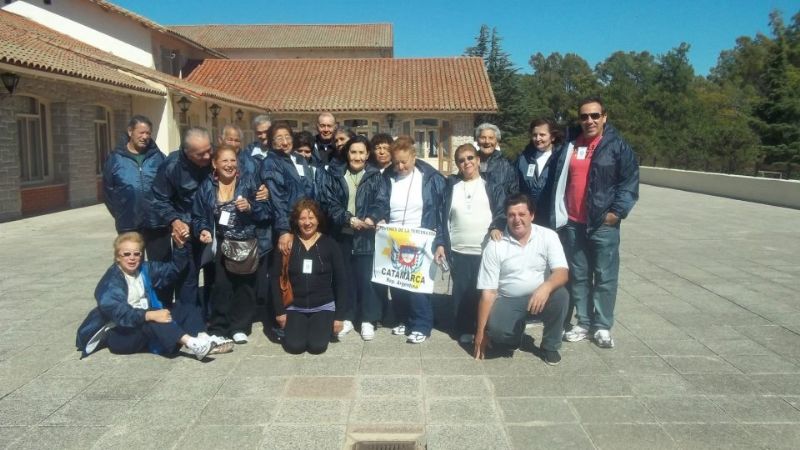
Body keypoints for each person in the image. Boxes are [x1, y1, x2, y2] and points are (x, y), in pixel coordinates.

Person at [555, 96, 639, 349]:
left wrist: (617, 212)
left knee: (604, 276)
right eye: (584, 116)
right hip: (573, 222)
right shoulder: (571, 143)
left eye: (594, 116)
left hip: (603, 223)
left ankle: (602, 325)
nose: (589, 120)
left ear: (604, 117)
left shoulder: (617, 146)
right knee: (579, 274)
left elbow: (629, 182)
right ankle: (583, 322)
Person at [75, 232, 234, 360]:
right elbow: (118, 312)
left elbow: (173, 270)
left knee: (185, 308)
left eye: (137, 254)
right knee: (153, 318)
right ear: (118, 257)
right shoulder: (111, 281)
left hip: (140, 324)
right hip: (119, 334)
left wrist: (179, 247)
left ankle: (204, 339)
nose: (132, 258)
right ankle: (193, 344)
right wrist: (150, 314)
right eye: (126, 254)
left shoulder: (144, 269)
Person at [474, 194, 569, 365]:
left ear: (531, 215)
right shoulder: (495, 245)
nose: (516, 219)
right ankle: (513, 337)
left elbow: (562, 272)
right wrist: (481, 333)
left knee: (561, 295)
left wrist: (546, 287)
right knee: (498, 332)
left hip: (540, 295)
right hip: (508, 299)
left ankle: (550, 346)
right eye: (511, 215)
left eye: (522, 214)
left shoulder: (548, 236)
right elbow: (488, 292)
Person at [192, 145, 271, 344]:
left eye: (233, 160)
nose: (229, 165)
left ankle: (240, 327)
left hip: (246, 242)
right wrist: (203, 230)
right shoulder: (207, 186)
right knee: (221, 286)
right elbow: (199, 215)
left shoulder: (249, 182)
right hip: (221, 243)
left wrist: (250, 207)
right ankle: (219, 327)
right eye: (224, 161)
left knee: (245, 286)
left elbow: (266, 211)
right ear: (214, 164)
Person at [434, 144, 506, 344]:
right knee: (462, 292)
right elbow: (442, 219)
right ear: (457, 164)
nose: (466, 163)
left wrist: (496, 226)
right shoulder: (451, 187)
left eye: (470, 158)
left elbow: (501, 212)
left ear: (478, 160)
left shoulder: (491, 185)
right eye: (461, 160)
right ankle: (463, 328)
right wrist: (440, 243)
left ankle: (485, 328)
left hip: (485, 250)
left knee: (485, 291)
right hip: (458, 249)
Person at [319, 135, 390, 340]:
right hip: (342, 234)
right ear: (347, 153)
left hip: (367, 236)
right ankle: (347, 316)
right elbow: (329, 203)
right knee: (345, 278)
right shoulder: (336, 175)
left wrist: (371, 217)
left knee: (367, 279)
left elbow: (382, 201)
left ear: (368, 154)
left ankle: (368, 319)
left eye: (361, 152)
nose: (357, 156)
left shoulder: (376, 176)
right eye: (353, 152)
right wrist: (348, 220)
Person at [383, 135, 446, 344]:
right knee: (397, 282)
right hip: (394, 236)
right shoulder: (387, 177)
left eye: (404, 162)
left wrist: (440, 241)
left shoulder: (430, 177)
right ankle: (404, 319)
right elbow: (381, 202)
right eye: (396, 162)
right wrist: (379, 216)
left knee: (417, 284)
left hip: (420, 235)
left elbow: (440, 212)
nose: (400, 166)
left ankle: (422, 324)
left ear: (414, 156)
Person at [102, 115, 171, 304]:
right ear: (130, 132)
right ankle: (133, 305)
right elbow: (108, 192)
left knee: (161, 267)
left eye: (148, 133)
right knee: (130, 267)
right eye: (141, 132)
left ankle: (163, 305)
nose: (145, 136)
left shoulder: (158, 158)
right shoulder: (115, 159)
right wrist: (121, 213)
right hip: (129, 224)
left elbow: (169, 187)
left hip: (158, 223)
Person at [270, 199, 348, 354]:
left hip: (323, 306)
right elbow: (274, 278)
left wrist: (339, 317)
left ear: (318, 220)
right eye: (302, 218)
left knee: (317, 346)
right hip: (295, 306)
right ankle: (295, 330)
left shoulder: (330, 244)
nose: (307, 223)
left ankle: (317, 328)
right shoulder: (287, 243)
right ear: (296, 221)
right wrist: (280, 312)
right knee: (295, 346)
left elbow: (342, 281)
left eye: (311, 218)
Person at [151, 127, 213, 312]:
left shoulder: (215, 157)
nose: (208, 156)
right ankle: (188, 318)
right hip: (187, 227)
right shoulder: (172, 166)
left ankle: (212, 315)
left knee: (215, 274)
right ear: (187, 152)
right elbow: (159, 199)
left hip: (214, 226)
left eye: (209, 150)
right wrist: (174, 221)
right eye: (201, 154)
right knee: (188, 276)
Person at [259, 121, 316, 258]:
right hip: (288, 225)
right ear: (271, 142)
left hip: (306, 222)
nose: (284, 142)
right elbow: (277, 198)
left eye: (287, 137)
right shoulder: (271, 162)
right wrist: (284, 230)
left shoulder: (299, 159)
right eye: (279, 138)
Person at [515, 118, 564, 228]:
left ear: (552, 137)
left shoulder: (561, 158)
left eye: (542, 135)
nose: (538, 139)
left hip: (552, 219)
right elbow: (515, 188)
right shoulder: (524, 158)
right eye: (534, 135)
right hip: (528, 218)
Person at [475, 123, 519, 197]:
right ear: (477, 141)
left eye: (491, 138)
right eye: (483, 137)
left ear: (497, 142)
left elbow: (514, 193)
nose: (487, 141)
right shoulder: (470, 162)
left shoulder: (507, 165)